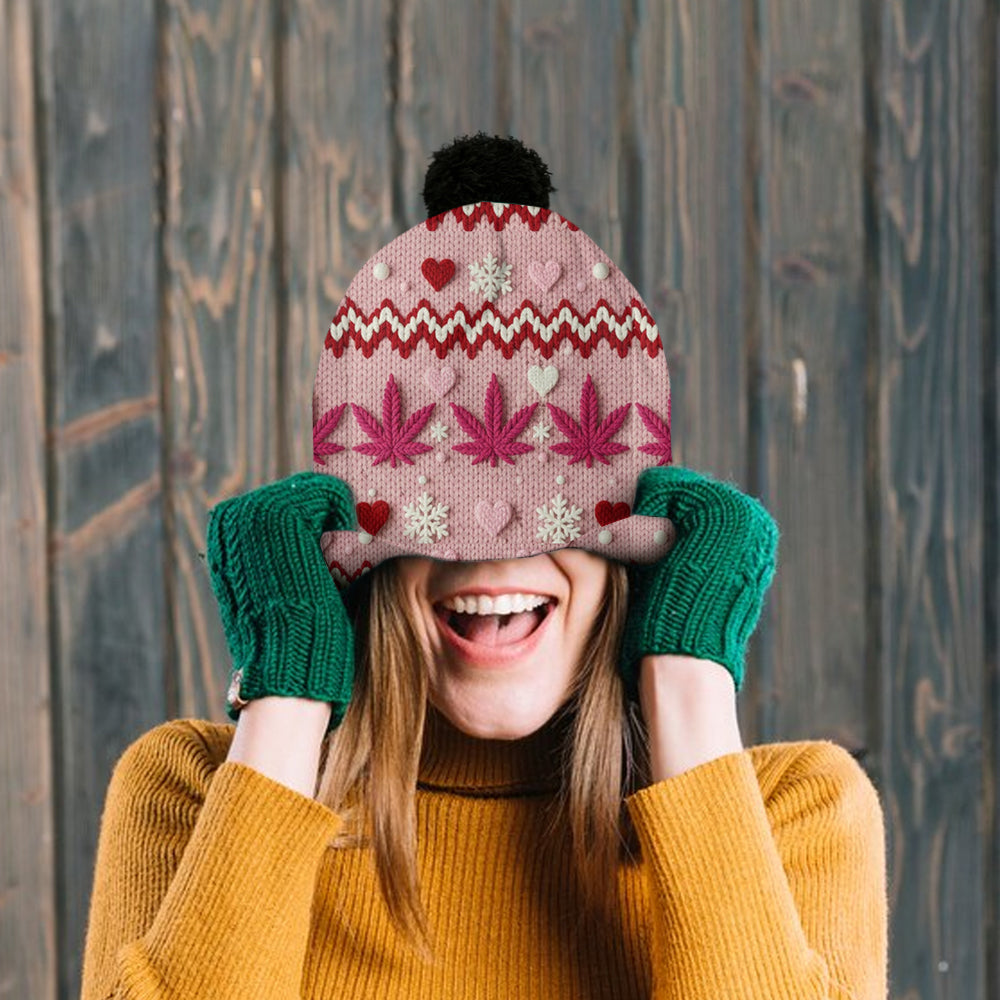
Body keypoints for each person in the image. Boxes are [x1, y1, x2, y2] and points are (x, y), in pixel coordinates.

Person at [80, 135, 889, 999]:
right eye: (438, 499)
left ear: (632, 534)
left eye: (554, 497)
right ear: (361, 541)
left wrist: (689, 678)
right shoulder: (196, 799)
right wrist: (288, 695)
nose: (496, 546)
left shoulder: (793, 816)